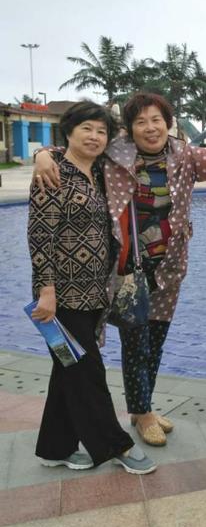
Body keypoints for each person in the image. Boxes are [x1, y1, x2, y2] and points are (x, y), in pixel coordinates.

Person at [33, 92, 206, 446]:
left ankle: (141, 407)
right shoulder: (114, 155)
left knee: (154, 342)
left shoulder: (185, 157)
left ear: (168, 123)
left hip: (168, 268)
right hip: (127, 270)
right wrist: (42, 154)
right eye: (141, 121)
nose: (150, 128)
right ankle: (141, 414)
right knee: (134, 343)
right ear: (129, 128)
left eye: (156, 120)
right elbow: (75, 149)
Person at [28, 102, 156, 475]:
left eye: (101, 131)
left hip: (93, 294)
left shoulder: (97, 172)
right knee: (88, 373)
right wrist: (46, 291)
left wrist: (43, 152)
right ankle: (116, 445)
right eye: (87, 128)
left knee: (68, 371)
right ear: (69, 131)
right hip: (62, 298)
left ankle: (55, 447)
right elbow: (40, 236)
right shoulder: (53, 174)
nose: (95, 137)